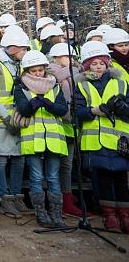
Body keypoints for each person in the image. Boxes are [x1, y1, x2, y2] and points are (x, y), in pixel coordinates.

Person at [75, 41, 129, 233]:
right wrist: (94, 111)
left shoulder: (121, 83)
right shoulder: (81, 86)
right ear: (87, 65)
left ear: (107, 64)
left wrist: (123, 109)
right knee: (103, 179)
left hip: (119, 141)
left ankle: (125, 215)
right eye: (94, 64)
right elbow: (77, 112)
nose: (98, 67)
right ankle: (109, 217)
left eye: (101, 63)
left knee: (122, 179)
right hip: (95, 140)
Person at [14, 50, 68, 228]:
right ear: (27, 71)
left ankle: (56, 213)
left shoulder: (55, 85)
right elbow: (23, 109)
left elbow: (62, 109)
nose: (38, 74)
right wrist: (33, 104)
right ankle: (40, 212)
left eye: (40, 70)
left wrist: (49, 105)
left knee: (53, 177)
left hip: (54, 139)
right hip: (33, 138)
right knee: (36, 177)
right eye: (34, 71)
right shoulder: (21, 87)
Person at [0, 25, 30, 218]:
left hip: (20, 118)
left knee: (19, 159)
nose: (26, 52)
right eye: (23, 48)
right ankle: (4, 198)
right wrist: (6, 118)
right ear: (12, 48)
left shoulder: (21, 63)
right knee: (1, 159)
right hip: (0, 120)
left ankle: (16, 197)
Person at [48, 42, 83, 218]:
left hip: (72, 126)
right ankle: (61, 202)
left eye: (72, 57)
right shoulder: (52, 76)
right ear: (56, 58)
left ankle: (67, 199)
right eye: (67, 57)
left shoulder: (76, 75)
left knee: (67, 165)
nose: (71, 60)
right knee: (59, 166)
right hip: (58, 125)